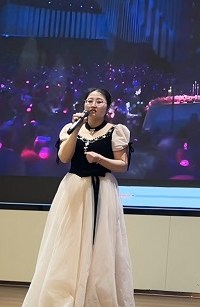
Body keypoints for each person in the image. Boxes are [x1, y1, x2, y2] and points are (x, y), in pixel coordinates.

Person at [23, 88, 135, 307]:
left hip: (102, 189)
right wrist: (76, 128)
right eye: (89, 100)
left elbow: (122, 165)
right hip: (73, 188)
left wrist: (100, 159)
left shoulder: (116, 131)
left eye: (99, 101)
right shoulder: (71, 128)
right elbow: (64, 157)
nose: (93, 104)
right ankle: (64, 295)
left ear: (107, 107)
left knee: (101, 241)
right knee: (68, 240)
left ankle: (95, 296)